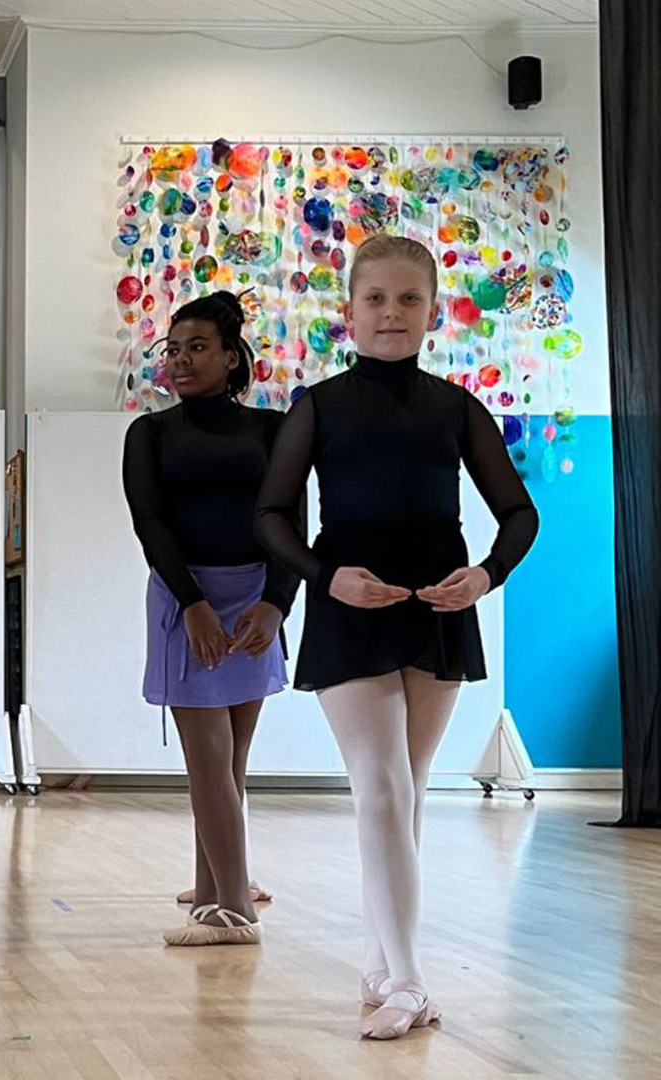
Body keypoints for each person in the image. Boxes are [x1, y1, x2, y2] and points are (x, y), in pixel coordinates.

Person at [255, 233, 538, 1039]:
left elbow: (520, 513)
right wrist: (323, 575)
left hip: (439, 607)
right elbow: (270, 514)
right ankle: (413, 981)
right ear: (348, 313)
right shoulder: (318, 406)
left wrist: (484, 576)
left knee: (406, 791)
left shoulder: (455, 407)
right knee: (379, 787)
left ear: (433, 312)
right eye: (375, 299)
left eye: (408, 299)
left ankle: (384, 960)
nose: (391, 313)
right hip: (351, 603)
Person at [121, 291, 297, 946]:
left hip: (254, 600)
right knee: (209, 763)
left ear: (231, 357)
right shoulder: (152, 433)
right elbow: (151, 523)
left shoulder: (271, 430)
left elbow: (289, 522)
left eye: (198, 348)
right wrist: (191, 604)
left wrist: (277, 603)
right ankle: (227, 901)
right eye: (174, 349)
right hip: (184, 598)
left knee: (231, 765)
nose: (182, 360)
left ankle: (225, 900)